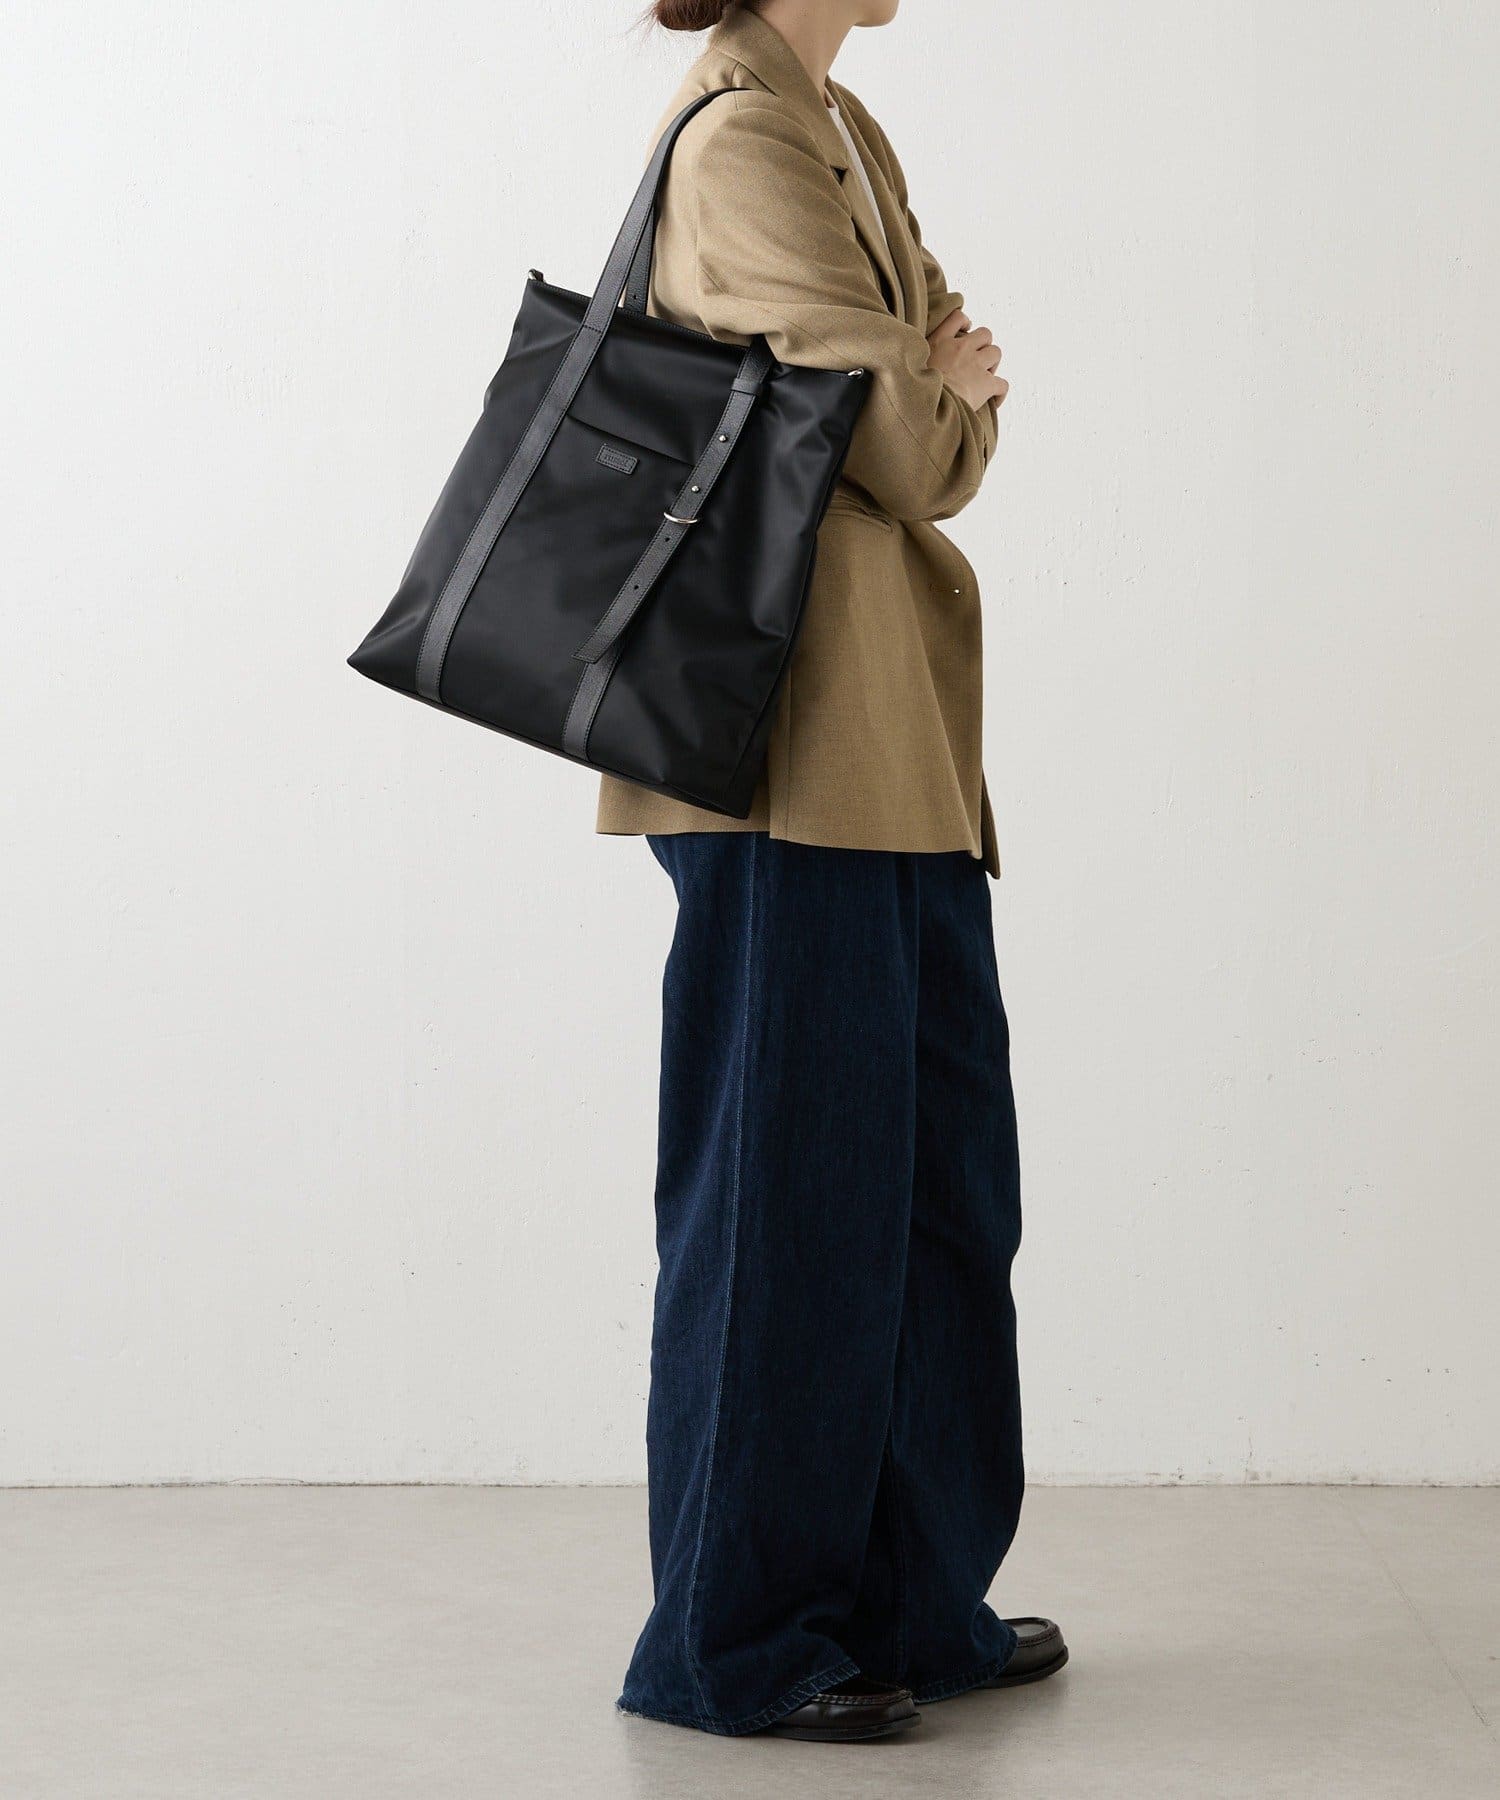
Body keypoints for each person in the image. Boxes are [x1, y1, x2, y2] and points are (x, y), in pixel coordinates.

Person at [599, 0, 1066, 1742]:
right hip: (786, 756)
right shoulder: (740, 141)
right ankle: (732, 1645)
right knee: (785, 1204)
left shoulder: (842, 131)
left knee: (940, 1190)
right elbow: (915, 438)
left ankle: (909, 1606)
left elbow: (938, 412)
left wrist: (935, 391)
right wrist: (936, 390)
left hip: (896, 750)